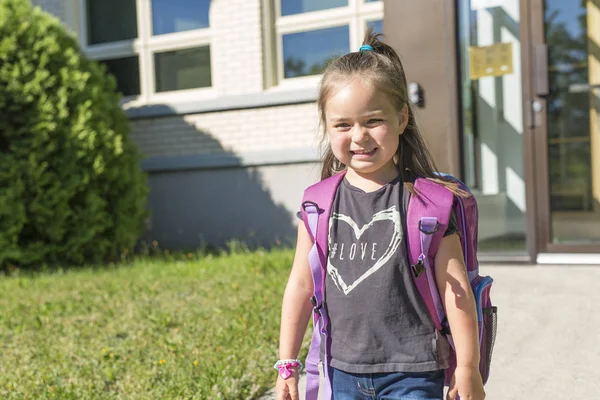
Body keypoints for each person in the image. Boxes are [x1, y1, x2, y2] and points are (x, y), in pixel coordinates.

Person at [274, 30, 485, 400]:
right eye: (343, 124)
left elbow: (459, 293)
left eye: (373, 121)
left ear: (402, 118)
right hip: (340, 371)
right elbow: (300, 287)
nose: (359, 136)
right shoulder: (317, 204)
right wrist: (287, 365)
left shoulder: (430, 206)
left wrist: (467, 368)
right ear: (327, 126)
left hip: (415, 373)